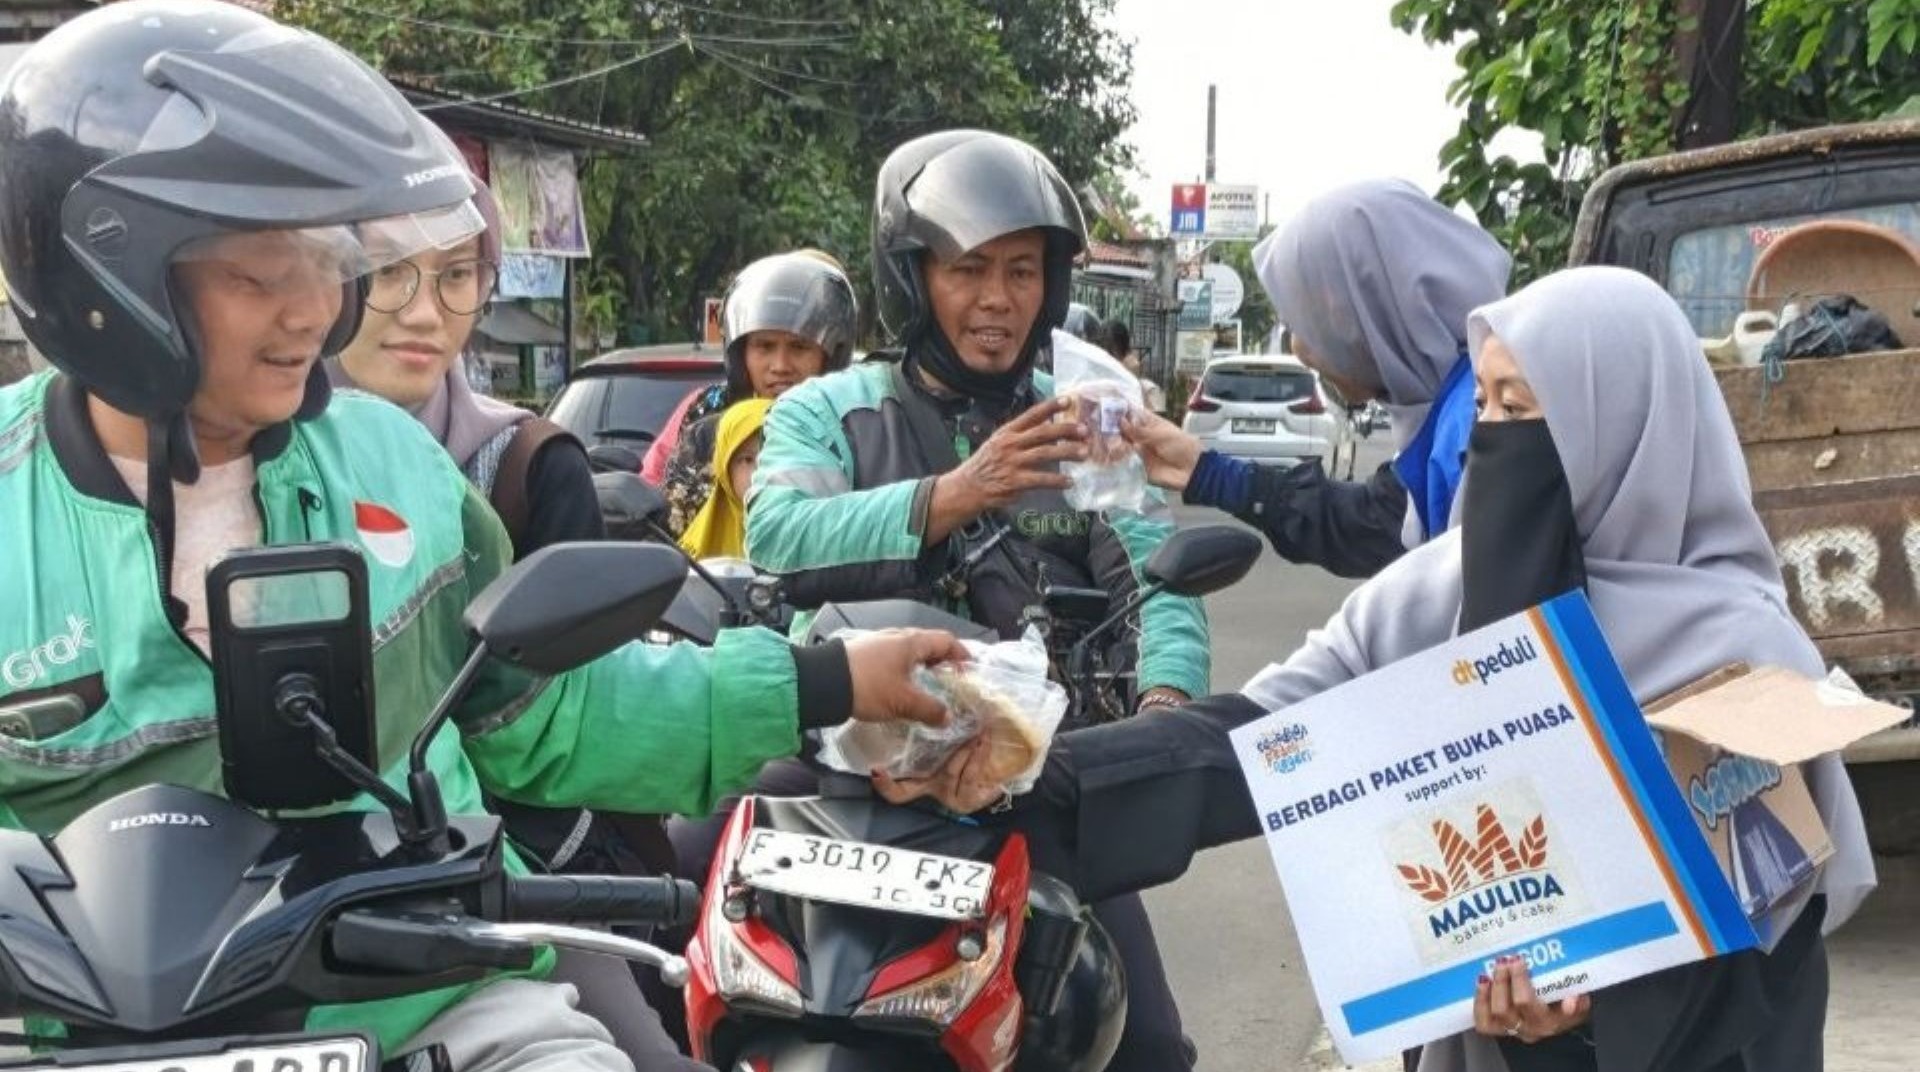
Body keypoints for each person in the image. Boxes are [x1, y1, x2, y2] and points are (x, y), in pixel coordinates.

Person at [0, 5, 961, 1068]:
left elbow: (542, 709)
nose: (314, 310)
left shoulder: (391, 464)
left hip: (428, 1004)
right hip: (74, 1038)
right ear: (106, 278)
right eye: (257, 276)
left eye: (323, 262)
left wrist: (829, 682)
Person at [896, 265, 1876, 1072]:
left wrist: (1591, 1011)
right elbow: (1258, 739)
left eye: (1523, 408)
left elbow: (1773, 920)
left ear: (1619, 421)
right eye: (1483, 405)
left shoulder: (1741, 650)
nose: (1495, 441)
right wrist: (1034, 772)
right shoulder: (1431, 595)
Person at [747, 129, 1209, 1072]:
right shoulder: (828, 410)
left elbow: (1160, 580)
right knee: (685, 937)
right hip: (845, 786)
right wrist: (954, 493)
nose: (999, 298)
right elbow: (779, 537)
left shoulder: (1084, 422)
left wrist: (1163, 710)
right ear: (912, 277)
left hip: (1030, 788)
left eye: (1022, 271)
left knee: (1151, 1047)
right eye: (969, 269)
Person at [328, 178, 704, 1068]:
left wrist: (819, 685)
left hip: (504, 874)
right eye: (389, 271)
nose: (425, 311)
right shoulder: (239, 455)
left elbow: (568, 709)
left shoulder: (524, 464)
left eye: (457, 276)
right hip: (276, 907)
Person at [1123, 179, 1512, 579]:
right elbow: (1374, 521)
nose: (1298, 348)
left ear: (1360, 309)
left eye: (1304, 320)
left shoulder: (1483, 422)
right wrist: (1208, 472)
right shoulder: (1454, 405)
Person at [642, 250, 855, 528]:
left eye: (799, 347)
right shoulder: (703, 424)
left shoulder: (860, 428)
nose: (780, 365)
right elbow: (654, 513)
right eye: (765, 346)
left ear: (830, 354)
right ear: (741, 353)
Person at [678, 397, 771, 560]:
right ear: (725, 468)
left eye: (774, 458)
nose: (761, 473)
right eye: (747, 460)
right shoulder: (695, 553)